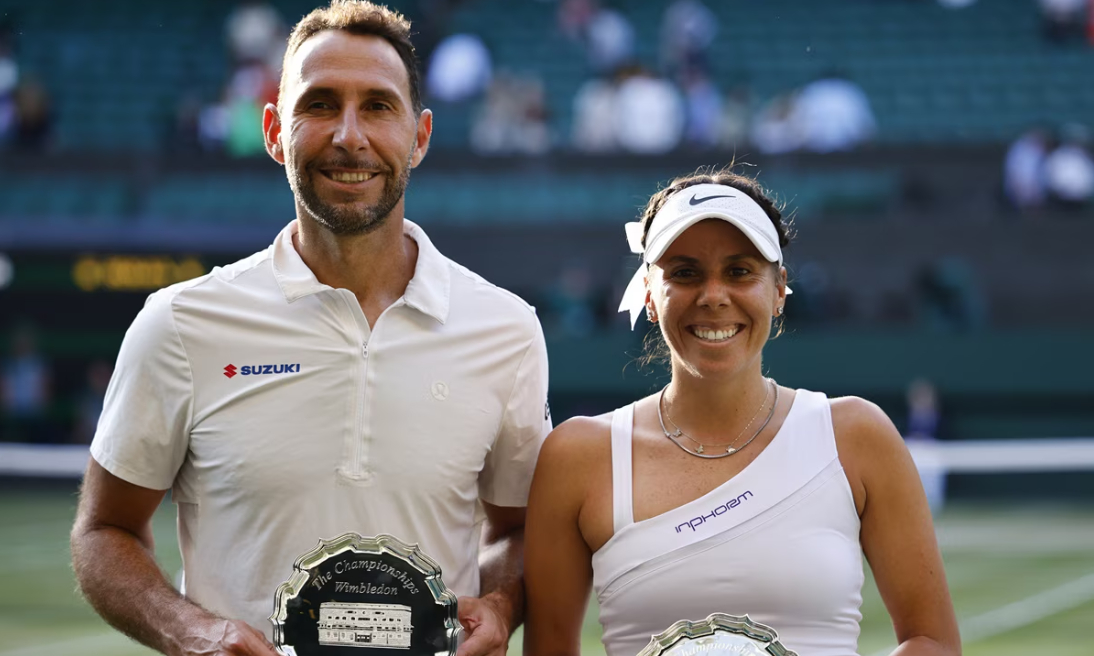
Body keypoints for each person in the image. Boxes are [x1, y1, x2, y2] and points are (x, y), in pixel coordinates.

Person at [70, 3, 551, 656]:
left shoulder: (506, 330)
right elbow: (102, 531)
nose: (349, 136)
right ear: (274, 130)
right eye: (319, 104)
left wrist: (500, 604)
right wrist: (192, 632)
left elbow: (518, 531)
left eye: (378, 106)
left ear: (421, 135)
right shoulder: (180, 324)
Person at [523, 169, 960, 656]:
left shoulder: (856, 435)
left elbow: (933, 642)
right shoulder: (576, 457)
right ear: (648, 292)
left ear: (778, 291)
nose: (713, 296)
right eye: (685, 272)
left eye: (740, 271)